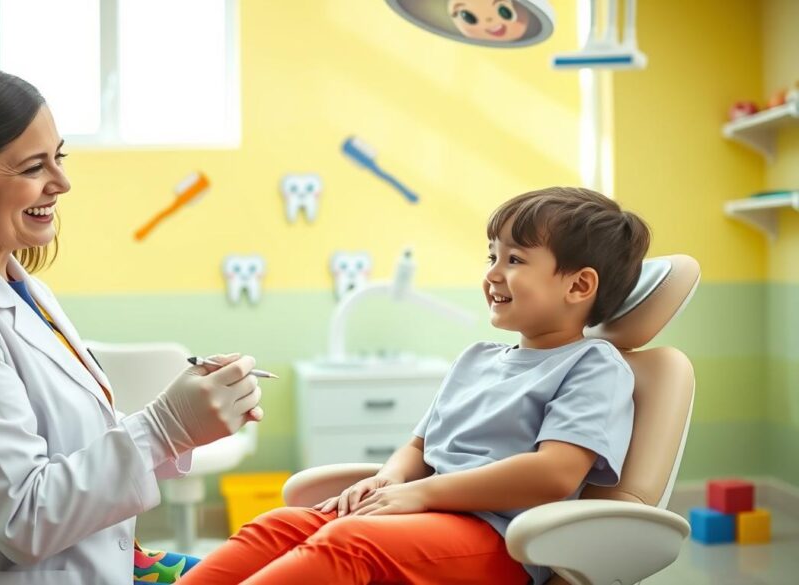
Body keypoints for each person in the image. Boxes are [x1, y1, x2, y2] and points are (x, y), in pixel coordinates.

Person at [0, 65, 263, 585]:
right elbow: (24, 516)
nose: (61, 182)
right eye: (33, 166)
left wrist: (183, 421)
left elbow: (64, 440)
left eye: (58, 157)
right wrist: (165, 426)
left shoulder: (23, 289)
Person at [178, 187, 651, 585]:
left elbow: (555, 473)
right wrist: (390, 478)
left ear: (579, 286)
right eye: (491, 256)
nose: (491, 274)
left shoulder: (594, 366)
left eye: (515, 259)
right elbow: (419, 445)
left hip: (501, 538)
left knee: (348, 544)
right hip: (423, 516)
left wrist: (423, 494)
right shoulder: (477, 359)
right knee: (280, 525)